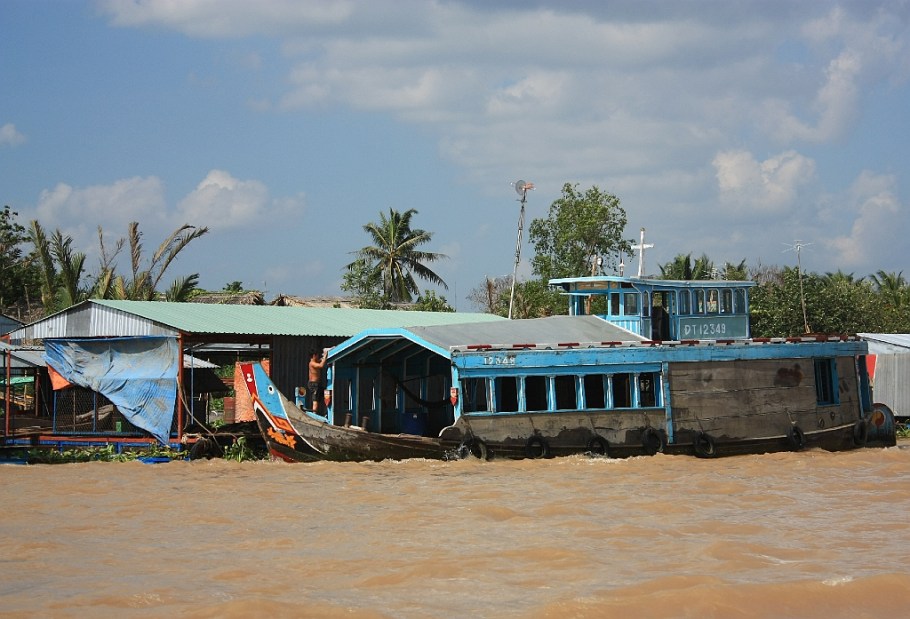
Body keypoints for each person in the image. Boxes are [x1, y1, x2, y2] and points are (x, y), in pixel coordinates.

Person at [308, 349, 328, 413]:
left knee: (326, 395)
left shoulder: (316, 362)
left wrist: (323, 358)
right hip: (314, 384)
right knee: (315, 400)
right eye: (317, 355)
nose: (318, 356)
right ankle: (314, 414)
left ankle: (326, 412)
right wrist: (325, 357)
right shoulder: (312, 363)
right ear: (314, 356)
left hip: (317, 384)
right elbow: (321, 365)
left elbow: (320, 361)